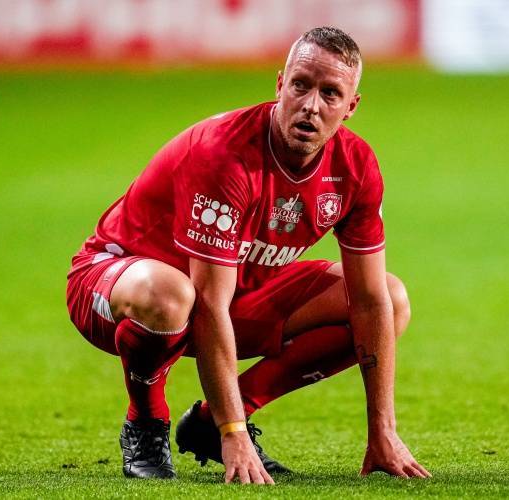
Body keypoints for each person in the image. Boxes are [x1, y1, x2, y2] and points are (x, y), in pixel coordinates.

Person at [66, 26, 431, 484]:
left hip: (226, 295)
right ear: (280, 84)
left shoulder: (354, 167)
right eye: (300, 85)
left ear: (351, 106)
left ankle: (207, 421)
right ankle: (146, 420)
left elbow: (369, 301)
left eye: (330, 93)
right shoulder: (224, 154)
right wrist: (234, 432)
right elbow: (209, 303)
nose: (311, 105)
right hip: (114, 282)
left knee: (391, 301)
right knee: (170, 295)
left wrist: (383, 430)